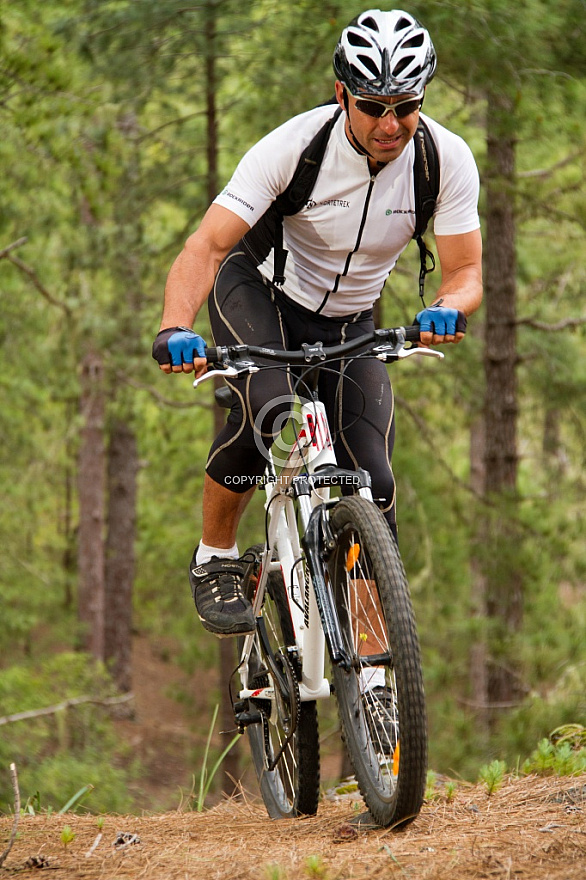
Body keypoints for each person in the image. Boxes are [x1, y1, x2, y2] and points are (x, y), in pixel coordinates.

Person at [152, 9, 483, 640]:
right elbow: (207, 247)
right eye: (373, 105)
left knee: (375, 484)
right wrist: (175, 328)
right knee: (268, 415)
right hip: (263, 296)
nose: (391, 124)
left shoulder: (445, 160)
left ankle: (373, 674)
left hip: (352, 318)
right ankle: (216, 558)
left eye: (406, 105)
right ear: (342, 94)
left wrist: (451, 306)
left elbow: (466, 271)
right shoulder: (294, 148)